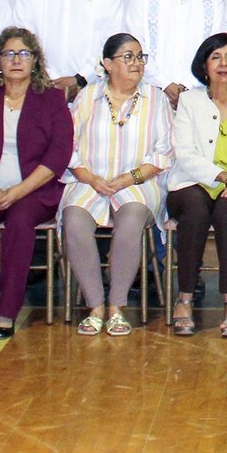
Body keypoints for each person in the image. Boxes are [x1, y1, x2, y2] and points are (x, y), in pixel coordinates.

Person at [0, 26, 73, 338]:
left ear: (35, 60)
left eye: (24, 53)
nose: (16, 60)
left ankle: (7, 310)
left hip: (34, 190)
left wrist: (18, 191)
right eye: (8, 53)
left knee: (20, 225)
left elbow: (59, 154)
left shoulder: (52, 99)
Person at [61, 33, 172, 337]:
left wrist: (128, 178)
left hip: (139, 181)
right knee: (74, 219)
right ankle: (96, 306)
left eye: (140, 57)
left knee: (131, 217)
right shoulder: (87, 97)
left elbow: (164, 152)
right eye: (128, 57)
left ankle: (117, 306)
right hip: (89, 180)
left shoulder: (156, 98)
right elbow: (68, 147)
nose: (136, 63)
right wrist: (90, 178)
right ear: (108, 64)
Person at [167, 32, 227, 337]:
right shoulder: (189, 101)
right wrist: (224, 177)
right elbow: (185, 153)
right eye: (216, 57)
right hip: (192, 183)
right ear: (204, 65)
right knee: (196, 211)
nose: (224, 63)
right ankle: (184, 298)